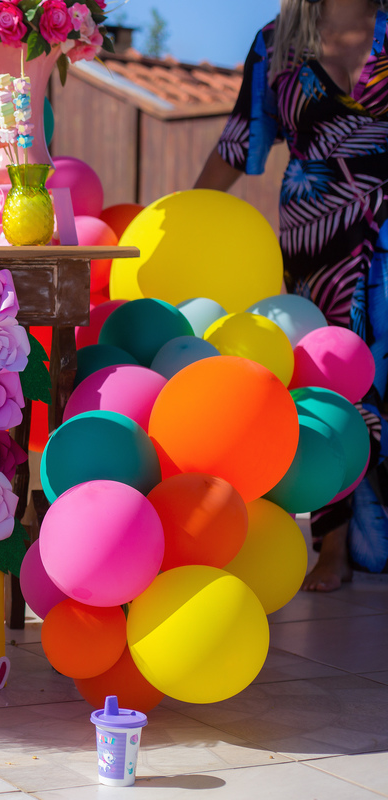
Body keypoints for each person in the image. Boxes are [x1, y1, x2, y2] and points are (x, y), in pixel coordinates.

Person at [195, 0, 388, 592]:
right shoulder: (276, 41)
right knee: (329, 378)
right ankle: (333, 543)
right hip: (316, 239)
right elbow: (239, 142)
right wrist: (185, 217)